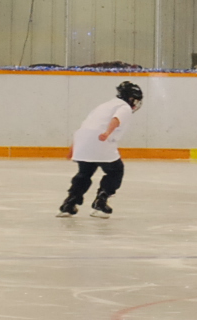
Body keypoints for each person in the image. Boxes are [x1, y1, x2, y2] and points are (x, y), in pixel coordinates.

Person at [60, 80, 143, 217]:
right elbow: (116, 119)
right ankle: (101, 202)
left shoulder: (105, 105)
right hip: (101, 140)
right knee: (115, 171)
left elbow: (85, 126)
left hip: (83, 141)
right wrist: (107, 133)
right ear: (130, 98)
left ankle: (69, 203)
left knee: (84, 173)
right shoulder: (124, 107)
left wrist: (73, 147)